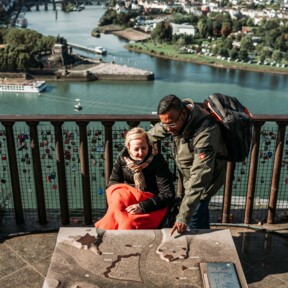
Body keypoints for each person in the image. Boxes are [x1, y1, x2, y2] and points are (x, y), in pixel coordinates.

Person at [147, 94, 227, 235]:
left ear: (184, 113)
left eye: (171, 124)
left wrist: (183, 217)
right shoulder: (178, 115)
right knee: (201, 215)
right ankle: (207, 241)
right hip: (190, 176)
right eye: (164, 123)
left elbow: (199, 177)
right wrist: (135, 141)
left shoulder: (205, 132)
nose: (168, 128)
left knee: (193, 220)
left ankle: (200, 251)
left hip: (204, 181)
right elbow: (160, 129)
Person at [95, 127, 175, 230]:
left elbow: (167, 194)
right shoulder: (122, 159)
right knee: (116, 201)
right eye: (136, 149)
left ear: (148, 145)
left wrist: (142, 206)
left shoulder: (157, 161)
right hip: (129, 202)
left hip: (152, 205)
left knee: (128, 223)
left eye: (144, 148)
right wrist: (127, 197)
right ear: (128, 147)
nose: (141, 153)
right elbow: (113, 183)